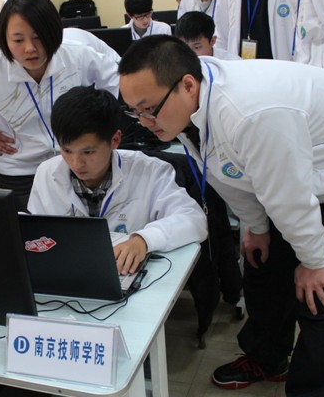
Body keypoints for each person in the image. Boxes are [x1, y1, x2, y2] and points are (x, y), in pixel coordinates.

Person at [118, 35, 324, 397]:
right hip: (302, 165)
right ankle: (267, 358)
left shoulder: (249, 113)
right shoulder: (189, 106)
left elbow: (289, 198)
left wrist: (315, 261)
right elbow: (228, 175)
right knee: (264, 264)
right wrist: (256, 228)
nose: (144, 121)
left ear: (187, 84)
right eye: (134, 111)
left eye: (149, 109)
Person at [0, 0, 119, 211]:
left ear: (53, 33)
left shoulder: (75, 55)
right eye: (18, 40)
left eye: (38, 37)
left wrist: (99, 124)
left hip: (76, 162)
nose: (30, 48)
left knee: (85, 226)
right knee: (34, 230)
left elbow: (113, 74)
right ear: (5, 39)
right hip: (21, 169)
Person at [27, 86, 207, 275]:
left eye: (88, 152)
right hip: (67, 272)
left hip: (126, 273)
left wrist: (143, 240)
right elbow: (35, 233)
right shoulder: (47, 173)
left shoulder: (150, 171)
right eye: (66, 150)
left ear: (115, 140)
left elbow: (194, 220)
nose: (76, 163)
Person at [176, 11, 241, 60]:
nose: (190, 54)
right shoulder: (175, 63)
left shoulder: (233, 64)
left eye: (197, 47)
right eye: (184, 48)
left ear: (212, 41)